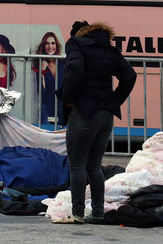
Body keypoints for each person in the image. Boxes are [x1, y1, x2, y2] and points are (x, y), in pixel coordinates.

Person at [57, 21, 137, 223]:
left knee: (77, 166)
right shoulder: (110, 49)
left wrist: (68, 99)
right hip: (105, 115)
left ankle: (77, 213)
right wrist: (114, 100)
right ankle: (98, 212)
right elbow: (130, 75)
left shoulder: (76, 44)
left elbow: (74, 69)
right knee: (94, 166)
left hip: (84, 112)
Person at [32, 31, 65, 125]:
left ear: (56, 45)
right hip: (47, 108)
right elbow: (41, 92)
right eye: (47, 43)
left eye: (53, 43)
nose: (50, 46)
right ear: (43, 46)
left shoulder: (63, 63)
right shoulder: (40, 65)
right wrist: (42, 71)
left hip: (63, 107)